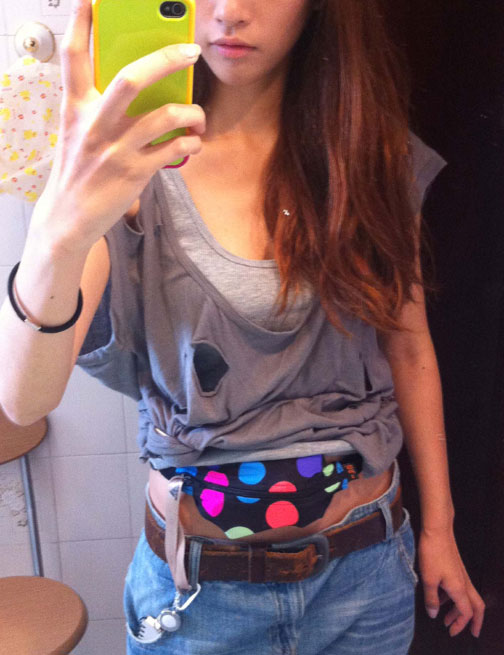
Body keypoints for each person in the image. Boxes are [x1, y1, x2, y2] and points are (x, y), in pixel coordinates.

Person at [0, 0, 486, 653]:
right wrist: (60, 228)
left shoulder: (370, 155)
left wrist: (440, 529)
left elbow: (409, 345)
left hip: (367, 571)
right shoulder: (129, 166)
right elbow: (24, 398)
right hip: (202, 598)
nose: (231, 11)